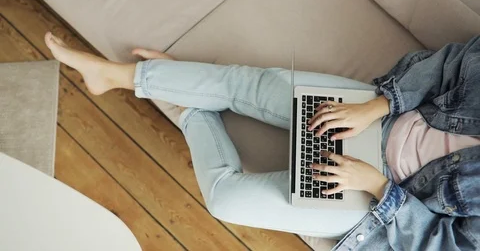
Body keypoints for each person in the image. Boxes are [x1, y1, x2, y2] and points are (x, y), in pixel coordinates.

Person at [45, 32, 480, 250]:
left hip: (380, 197)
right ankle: (115, 75)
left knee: (224, 200)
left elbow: (445, 245)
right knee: (253, 85)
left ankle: (188, 105)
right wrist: (377, 105)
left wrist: (377, 187)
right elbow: (453, 64)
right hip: (383, 114)